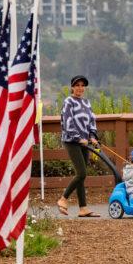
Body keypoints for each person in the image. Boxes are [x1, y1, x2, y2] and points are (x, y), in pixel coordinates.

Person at [57, 75, 100, 217]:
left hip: (85, 143)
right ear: (72, 87)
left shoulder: (86, 103)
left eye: (82, 85)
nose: (80, 88)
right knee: (82, 173)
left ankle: (83, 208)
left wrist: (92, 137)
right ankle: (63, 199)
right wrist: (78, 138)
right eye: (77, 85)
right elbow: (68, 123)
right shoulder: (69, 102)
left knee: (81, 175)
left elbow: (92, 121)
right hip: (72, 141)